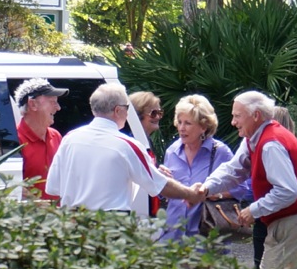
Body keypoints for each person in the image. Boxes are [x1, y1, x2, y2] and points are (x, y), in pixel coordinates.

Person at [199, 90, 297, 269]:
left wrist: (254, 210)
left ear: (256, 116)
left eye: (237, 116)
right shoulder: (255, 138)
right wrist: (206, 187)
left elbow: (288, 191)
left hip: (294, 223)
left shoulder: (270, 144)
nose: (233, 122)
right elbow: (234, 169)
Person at [45, 84, 203, 211]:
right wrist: (191, 194)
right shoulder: (128, 145)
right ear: (118, 110)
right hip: (111, 226)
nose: (128, 114)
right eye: (128, 109)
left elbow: (53, 187)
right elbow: (160, 185)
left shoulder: (69, 139)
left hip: (72, 226)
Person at [162, 94, 250, 239]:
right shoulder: (172, 152)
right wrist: (162, 180)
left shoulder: (219, 152)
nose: (181, 128)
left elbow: (241, 189)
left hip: (206, 232)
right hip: (173, 232)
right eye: (179, 122)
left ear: (203, 126)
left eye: (188, 123)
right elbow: (164, 194)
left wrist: (215, 194)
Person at [13, 78, 69, 200]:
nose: (58, 108)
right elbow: (12, 183)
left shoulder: (56, 136)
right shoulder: (15, 140)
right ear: (33, 104)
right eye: (52, 102)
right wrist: (40, 206)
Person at [129, 91, 165, 216]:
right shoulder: (132, 143)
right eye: (153, 113)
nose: (158, 117)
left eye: (160, 113)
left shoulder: (145, 140)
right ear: (137, 115)